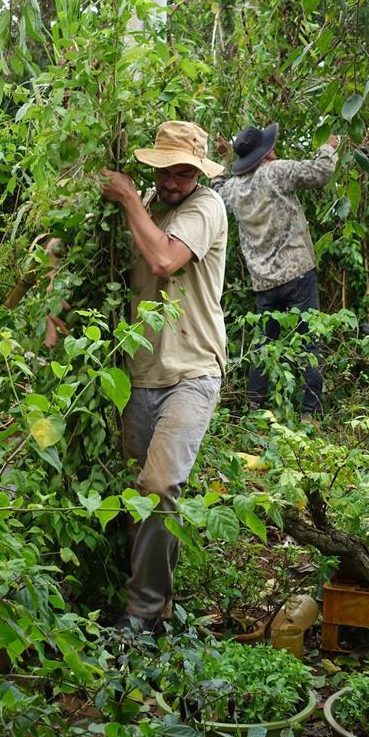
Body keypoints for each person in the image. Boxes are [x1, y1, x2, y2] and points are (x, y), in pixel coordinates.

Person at [100, 120, 227, 631]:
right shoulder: (148, 208)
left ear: (197, 174)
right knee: (138, 494)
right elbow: (97, 260)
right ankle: (158, 604)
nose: (172, 183)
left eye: (182, 174)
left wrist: (130, 199)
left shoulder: (206, 207)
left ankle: (143, 613)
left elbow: (163, 259)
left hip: (192, 372)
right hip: (140, 374)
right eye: (165, 173)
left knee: (158, 485)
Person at [212, 123, 338, 418]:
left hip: (263, 281)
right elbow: (320, 172)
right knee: (309, 342)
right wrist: (329, 147)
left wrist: (225, 160)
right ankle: (310, 413)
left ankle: (255, 408)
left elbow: (216, 189)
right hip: (298, 274)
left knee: (263, 345)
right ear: (267, 152)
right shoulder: (277, 171)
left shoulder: (233, 189)